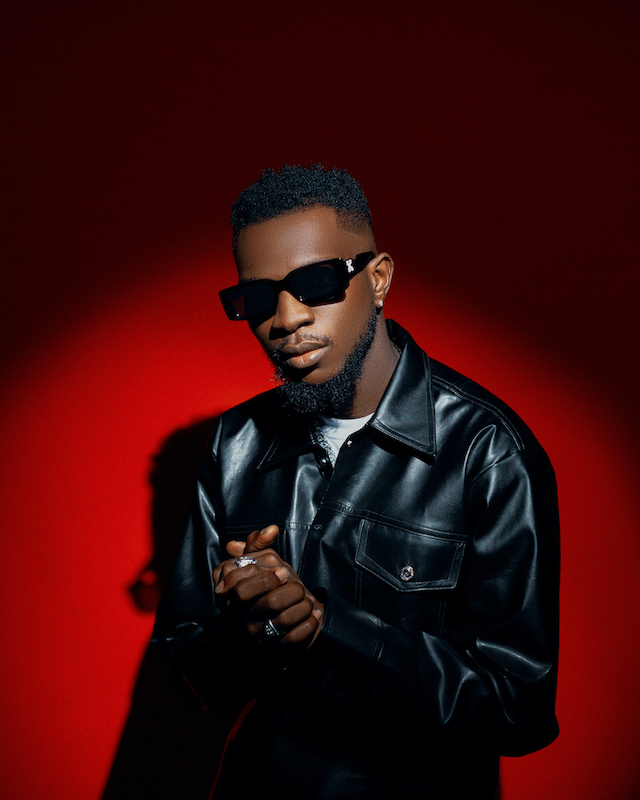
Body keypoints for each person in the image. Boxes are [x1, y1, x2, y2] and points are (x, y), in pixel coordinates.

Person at [152, 164, 560, 799]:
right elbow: (189, 675)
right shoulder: (235, 445)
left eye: (315, 283)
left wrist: (328, 628)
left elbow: (518, 708)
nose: (286, 318)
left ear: (378, 279)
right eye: (257, 298)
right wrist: (246, 627)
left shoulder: (487, 451)